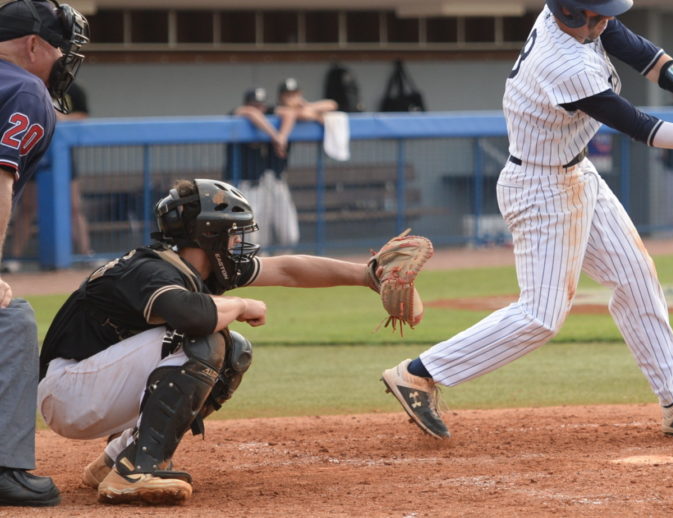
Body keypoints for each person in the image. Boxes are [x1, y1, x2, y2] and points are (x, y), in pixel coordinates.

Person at [380, 0, 673, 440]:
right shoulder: (563, 62)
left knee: (636, 277)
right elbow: (639, 126)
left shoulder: (581, 20)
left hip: (575, 173)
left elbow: (645, 53)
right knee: (541, 316)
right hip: (540, 188)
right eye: (596, 15)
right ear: (569, 10)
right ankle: (419, 374)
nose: (605, 23)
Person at [37, 178, 427, 505]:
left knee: (233, 351)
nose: (239, 243)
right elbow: (195, 315)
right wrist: (240, 303)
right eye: (233, 233)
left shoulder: (193, 268)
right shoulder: (149, 270)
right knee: (205, 338)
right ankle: (135, 473)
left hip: (93, 386)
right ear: (207, 235)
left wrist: (366, 275)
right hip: (69, 392)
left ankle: (117, 459)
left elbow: (289, 269)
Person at [0, 0, 89, 507]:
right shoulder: (25, 89)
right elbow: (0, 177)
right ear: (34, 45)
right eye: (60, 48)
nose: (64, 60)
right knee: (11, 322)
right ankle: (6, 470)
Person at [3, 83, 95, 272]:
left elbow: (83, 116)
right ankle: (14, 258)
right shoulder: (29, 86)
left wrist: (61, 118)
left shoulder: (72, 89)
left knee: (74, 207)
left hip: (62, 154)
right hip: (34, 150)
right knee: (27, 207)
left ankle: (86, 254)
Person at [225, 87, 299, 249]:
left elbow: (290, 113)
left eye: (261, 105)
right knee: (248, 237)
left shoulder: (267, 117)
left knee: (273, 236)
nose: (258, 108)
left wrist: (282, 137)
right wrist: (276, 137)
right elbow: (250, 113)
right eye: (254, 104)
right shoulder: (238, 114)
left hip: (263, 184)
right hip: (241, 186)